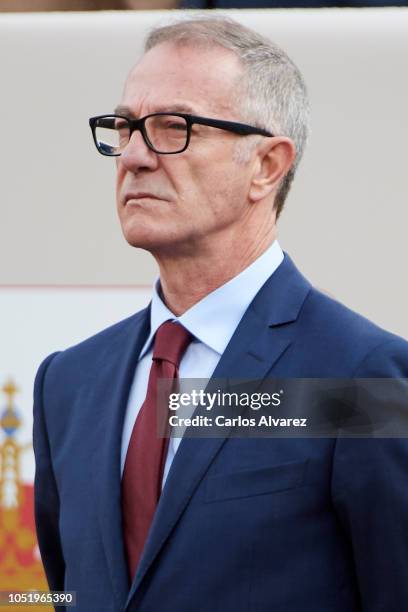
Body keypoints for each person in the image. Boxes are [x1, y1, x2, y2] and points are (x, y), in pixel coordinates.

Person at [33, 16, 408, 612]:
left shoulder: (360, 375)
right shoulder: (69, 382)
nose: (133, 156)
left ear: (266, 165)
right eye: (125, 128)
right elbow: (68, 592)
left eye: (172, 128)